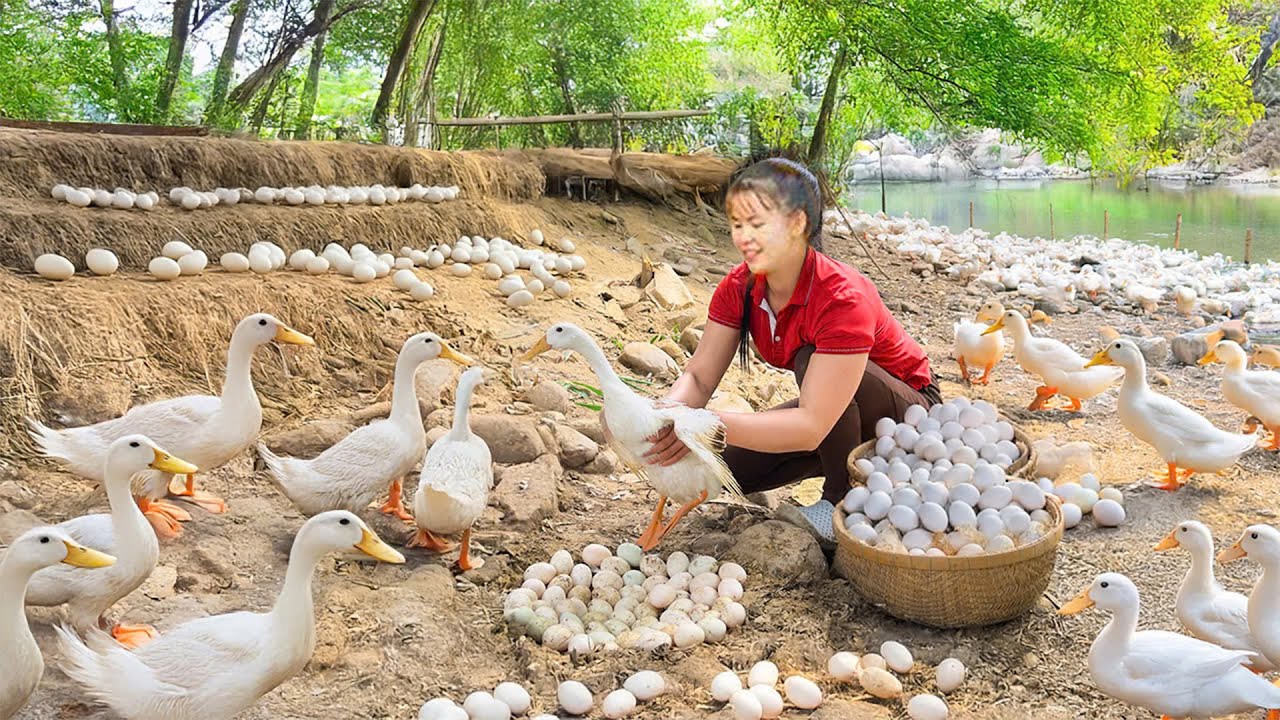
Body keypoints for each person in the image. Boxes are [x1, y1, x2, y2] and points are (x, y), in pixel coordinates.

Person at [643, 157, 940, 544]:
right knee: (723, 468)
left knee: (807, 359)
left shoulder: (841, 297)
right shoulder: (739, 287)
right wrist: (669, 414)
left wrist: (704, 423)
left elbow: (813, 424)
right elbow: (698, 377)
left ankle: (841, 502)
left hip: (911, 415)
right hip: (837, 415)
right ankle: (860, 469)